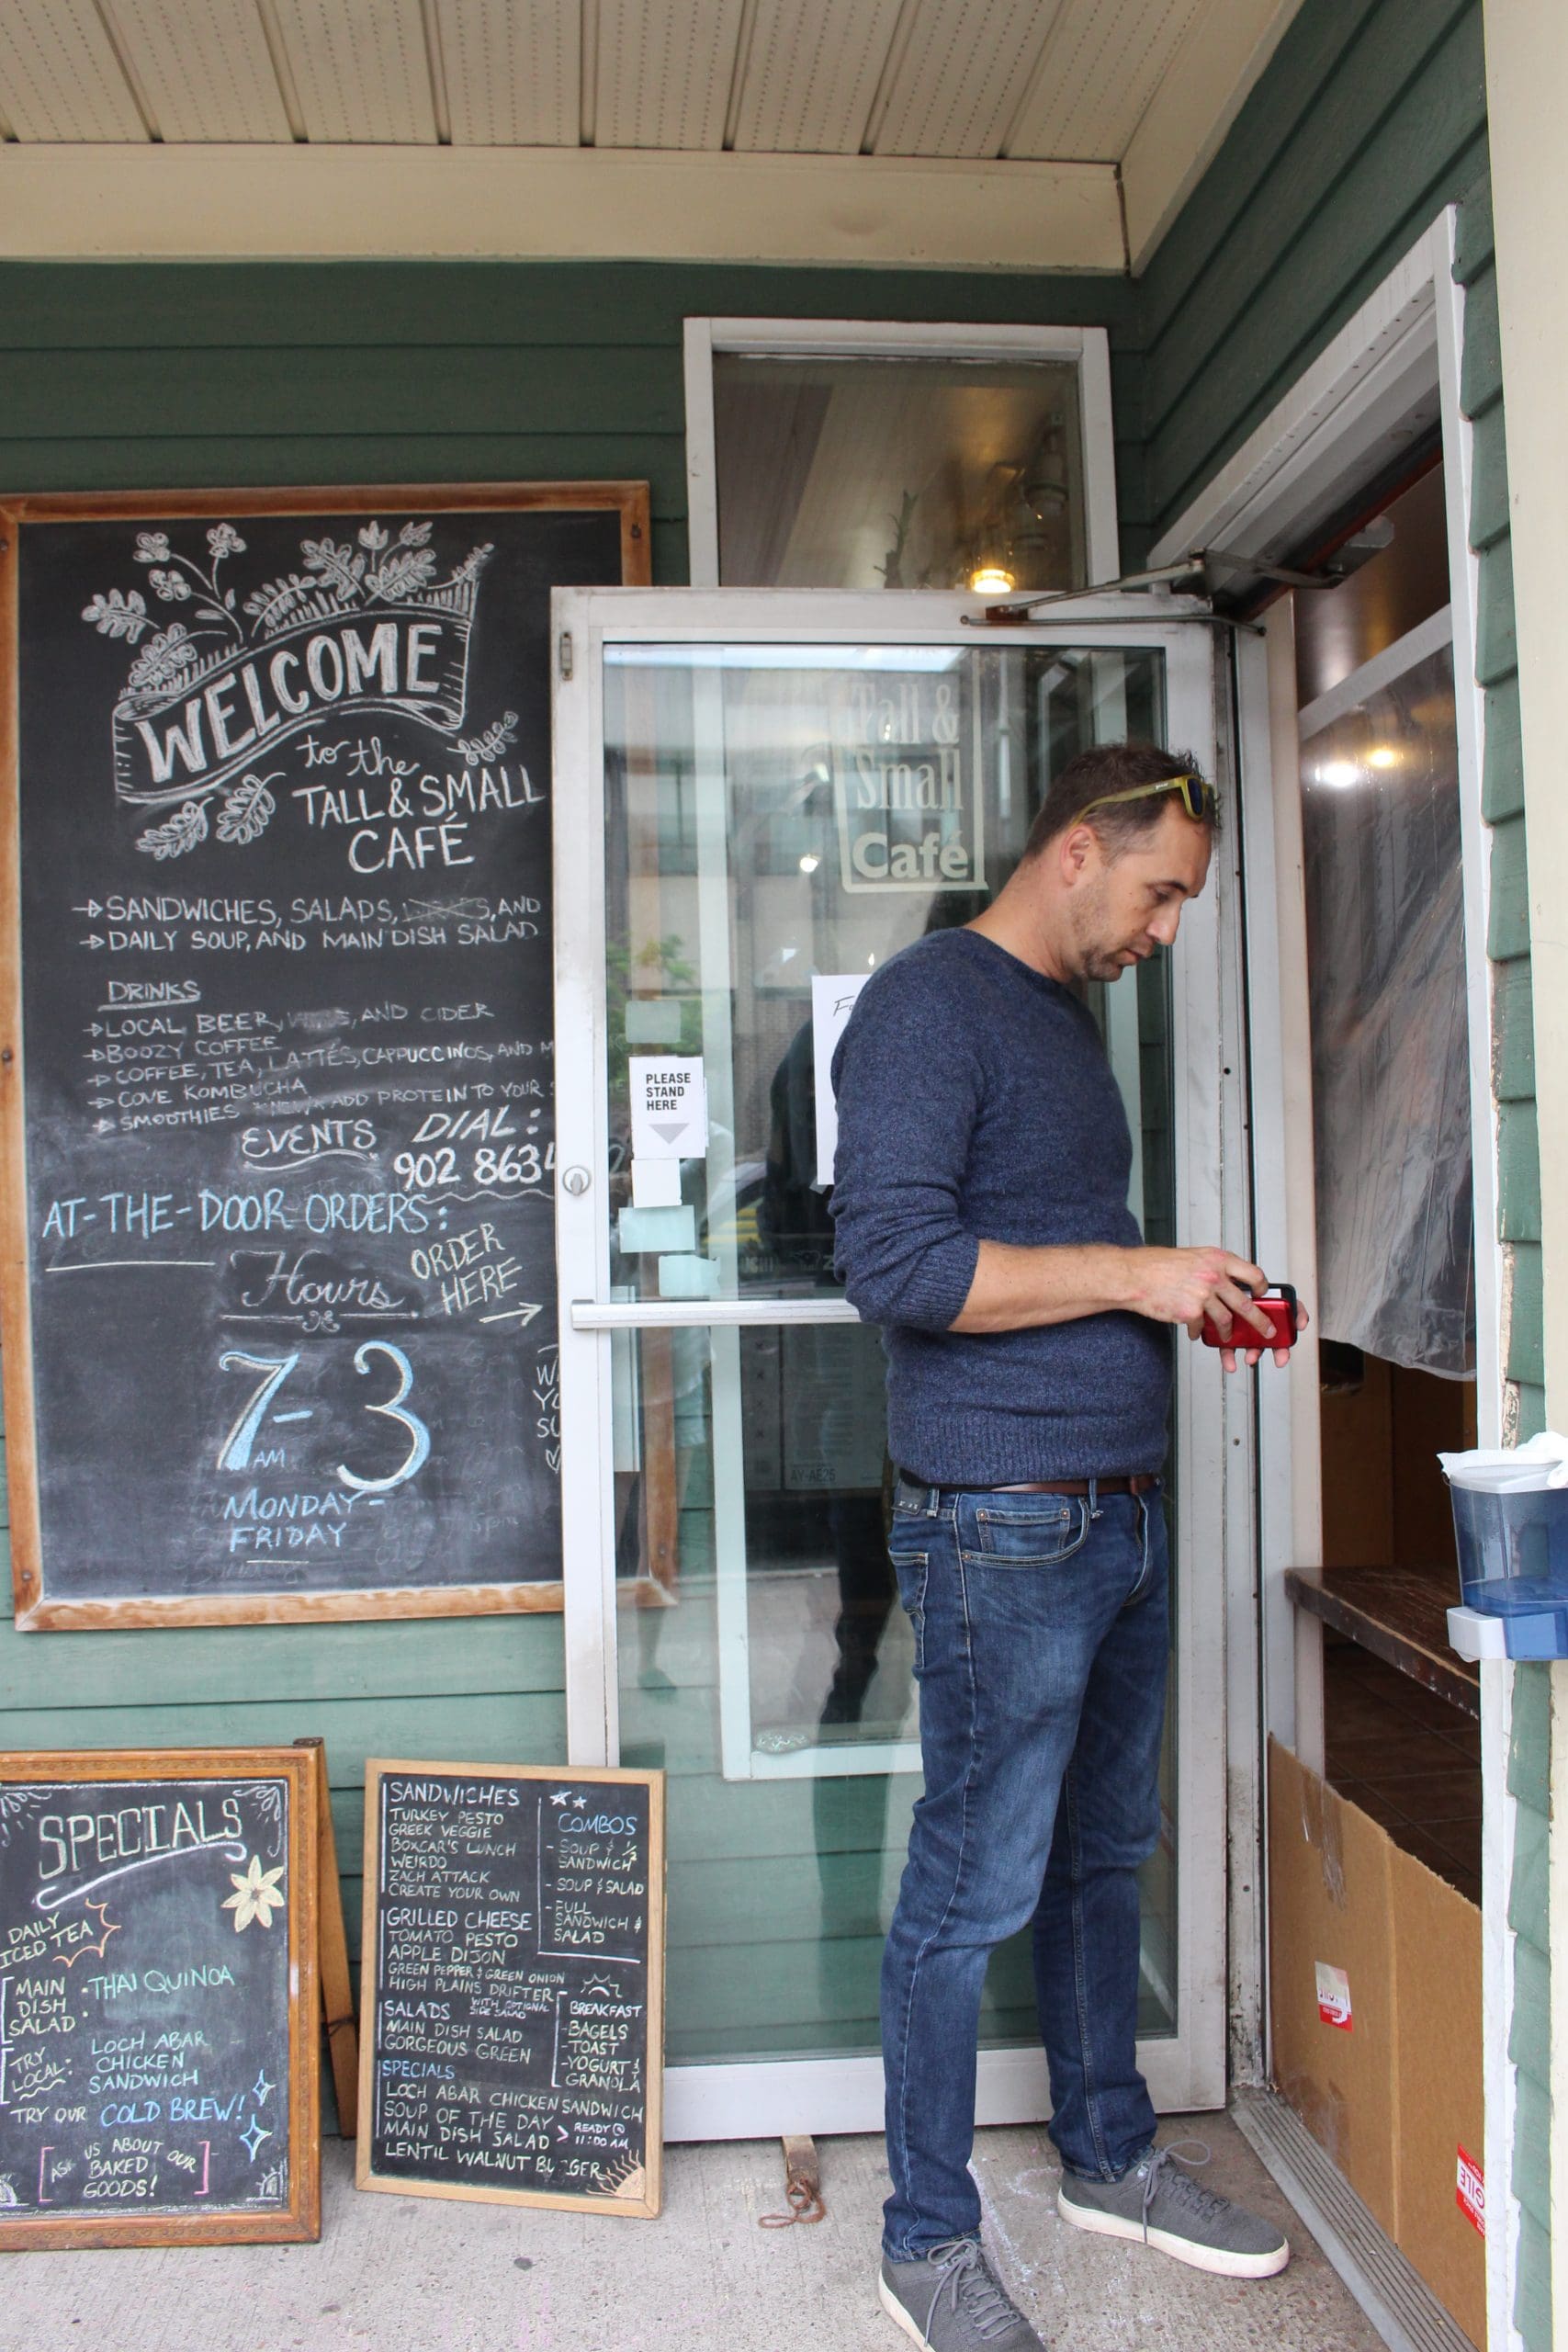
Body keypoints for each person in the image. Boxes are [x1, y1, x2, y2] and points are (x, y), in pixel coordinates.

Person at [829, 742, 1300, 2352]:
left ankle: (1107, 2156)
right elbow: (897, 1265)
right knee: (967, 1894)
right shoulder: (928, 1004)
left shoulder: (1061, 1021)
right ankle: (925, 2240)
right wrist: (1130, 1273)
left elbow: (1048, 1253)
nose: (1167, 928)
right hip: (1002, 1526)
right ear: (1078, 849)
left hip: (1116, 1515)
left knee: (1104, 1862)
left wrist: (1177, 1296)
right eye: (1162, 890)